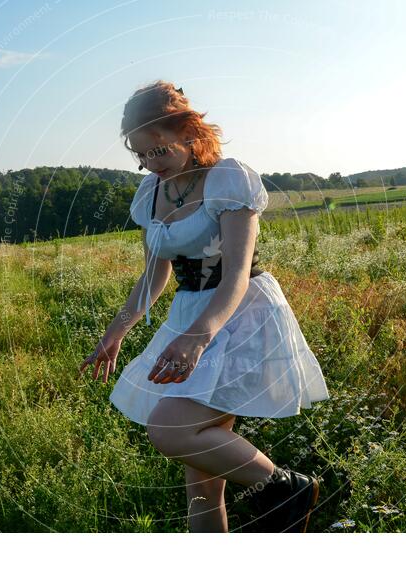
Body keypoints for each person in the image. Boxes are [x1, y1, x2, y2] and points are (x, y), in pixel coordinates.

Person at [80, 80, 330, 533]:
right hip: (188, 315)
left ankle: (286, 487)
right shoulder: (150, 195)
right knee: (201, 483)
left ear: (190, 134)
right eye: (139, 156)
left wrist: (198, 337)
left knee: (170, 429)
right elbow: (154, 277)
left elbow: (236, 274)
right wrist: (115, 333)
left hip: (239, 316)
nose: (149, 165)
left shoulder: (229, 179)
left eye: (159, 152)